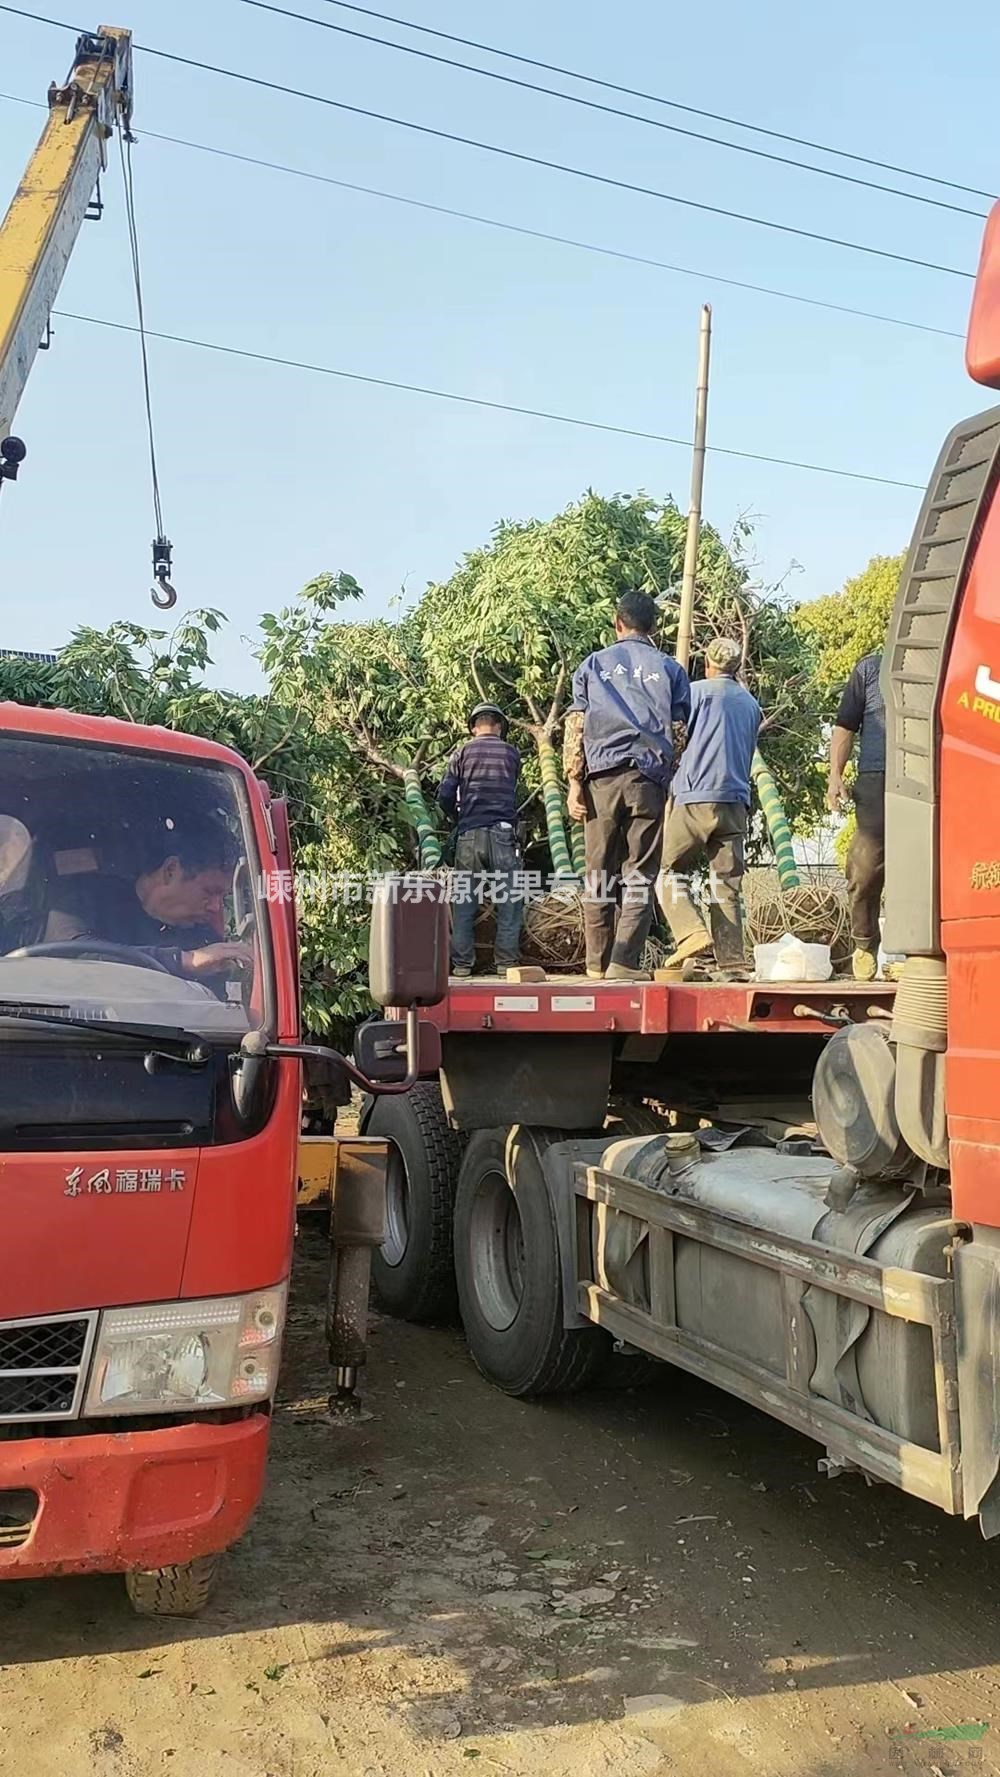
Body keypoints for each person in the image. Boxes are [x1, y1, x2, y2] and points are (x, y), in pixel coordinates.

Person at [564, 589, 690, 982]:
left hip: (601, 778)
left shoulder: (592, 665)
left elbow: (577, 726)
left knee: (598, 871)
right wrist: (667, 776)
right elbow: (678, 730)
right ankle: (624, 962)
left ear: (618, 623)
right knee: (640, 873)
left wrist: (573, 783)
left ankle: (595, 964)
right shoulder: (670, 669)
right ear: (653, 627)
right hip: (647, 779)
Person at [658, 636, 762, 978]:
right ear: (737, 668)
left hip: (694, 796)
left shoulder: (695, 692)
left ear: (707, 664)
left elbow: (675, 739)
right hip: (735, 800)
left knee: (667, 871)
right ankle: (732, 962)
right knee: (726, 884)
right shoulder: (750, 704)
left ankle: (691, 932)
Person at [46, 816, 250, 979]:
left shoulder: (205, 944)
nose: (216, 907)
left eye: (223, 896)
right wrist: (181, 961)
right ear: (170, 871)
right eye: (209, 891)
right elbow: (67, 949)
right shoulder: (87, 897)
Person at [438, 702, 523, 977]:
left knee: (464, 901)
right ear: (499, 726)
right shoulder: (511, 754)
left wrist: (457, 818)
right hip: (503, 834)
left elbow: (446, 795)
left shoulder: (461, 753)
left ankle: (462, 964)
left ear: (474, 727)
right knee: (509, 899)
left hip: (469, 834)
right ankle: (506, 963)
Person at [828, 650, 885, 981]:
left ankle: (925, 953)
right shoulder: (869, 668)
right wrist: (836, 775)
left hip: (933, 777)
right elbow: (845, 725)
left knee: (930, 869)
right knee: (864, 866)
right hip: (875, 777)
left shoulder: (949, 661)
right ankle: (864, 946)